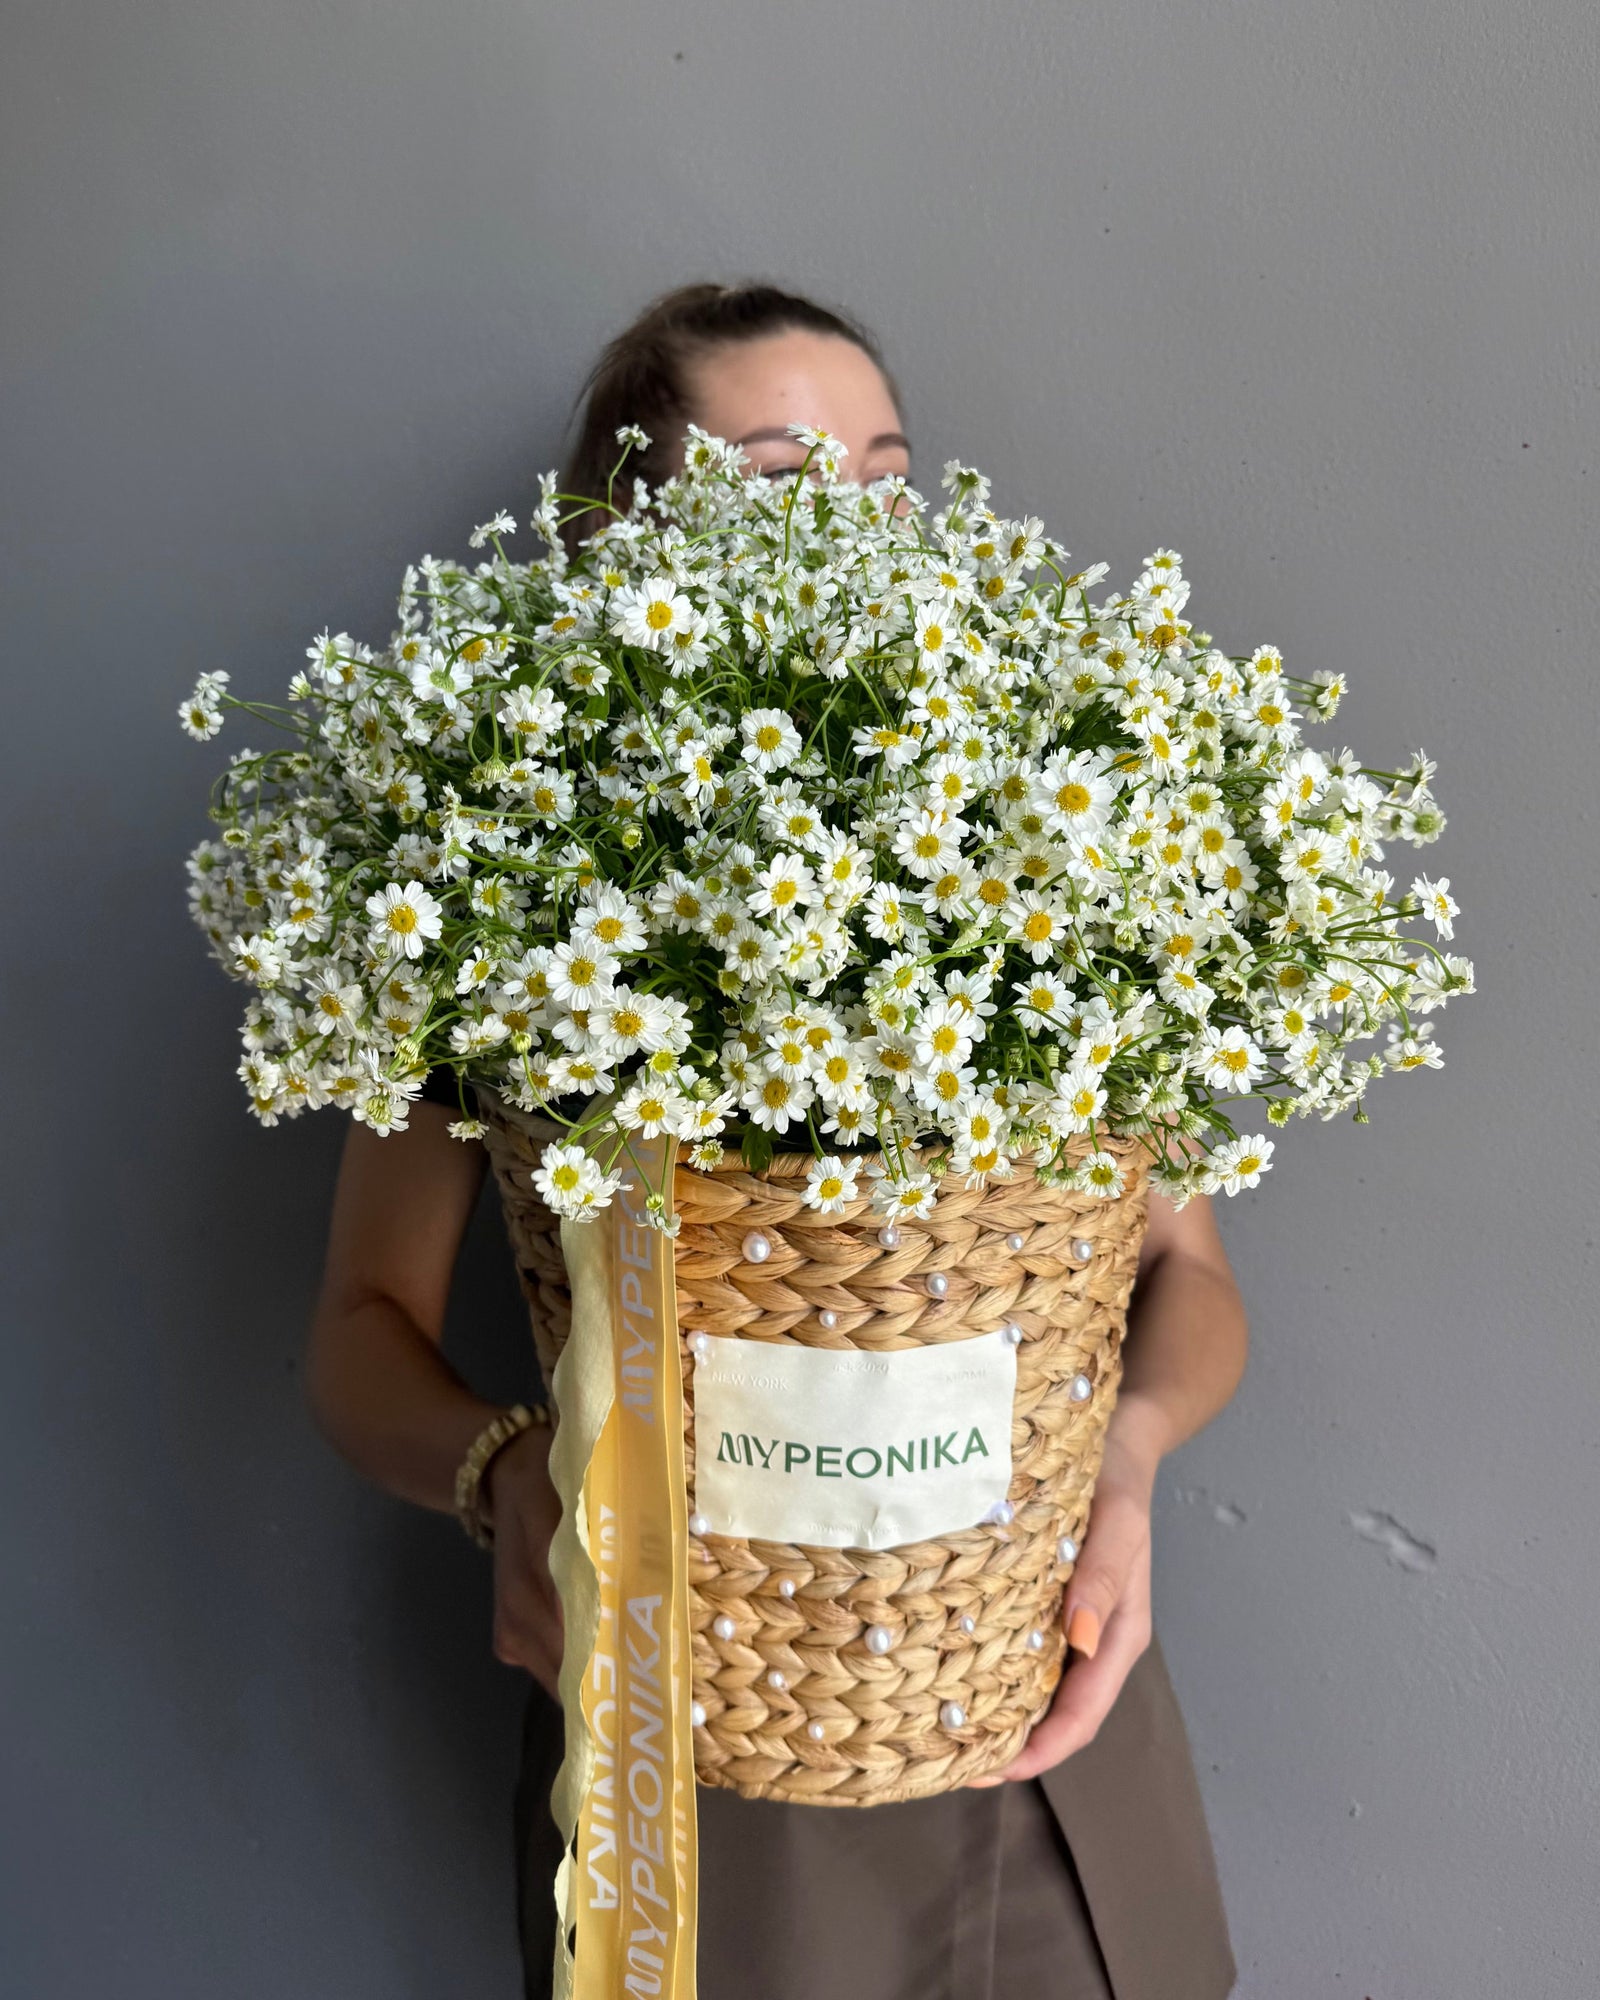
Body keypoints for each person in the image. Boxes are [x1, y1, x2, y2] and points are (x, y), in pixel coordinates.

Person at [305, 280, 1247, 1999]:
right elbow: (357, 1339)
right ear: (630, 538)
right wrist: (500, 1473)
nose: (857, 532)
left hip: (1049, 1699)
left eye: (884, 479)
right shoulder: (487, 884)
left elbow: (1187, 1269)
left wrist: (1126, 1467)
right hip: (705, 1748)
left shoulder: (1058, 834)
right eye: (779, 481)